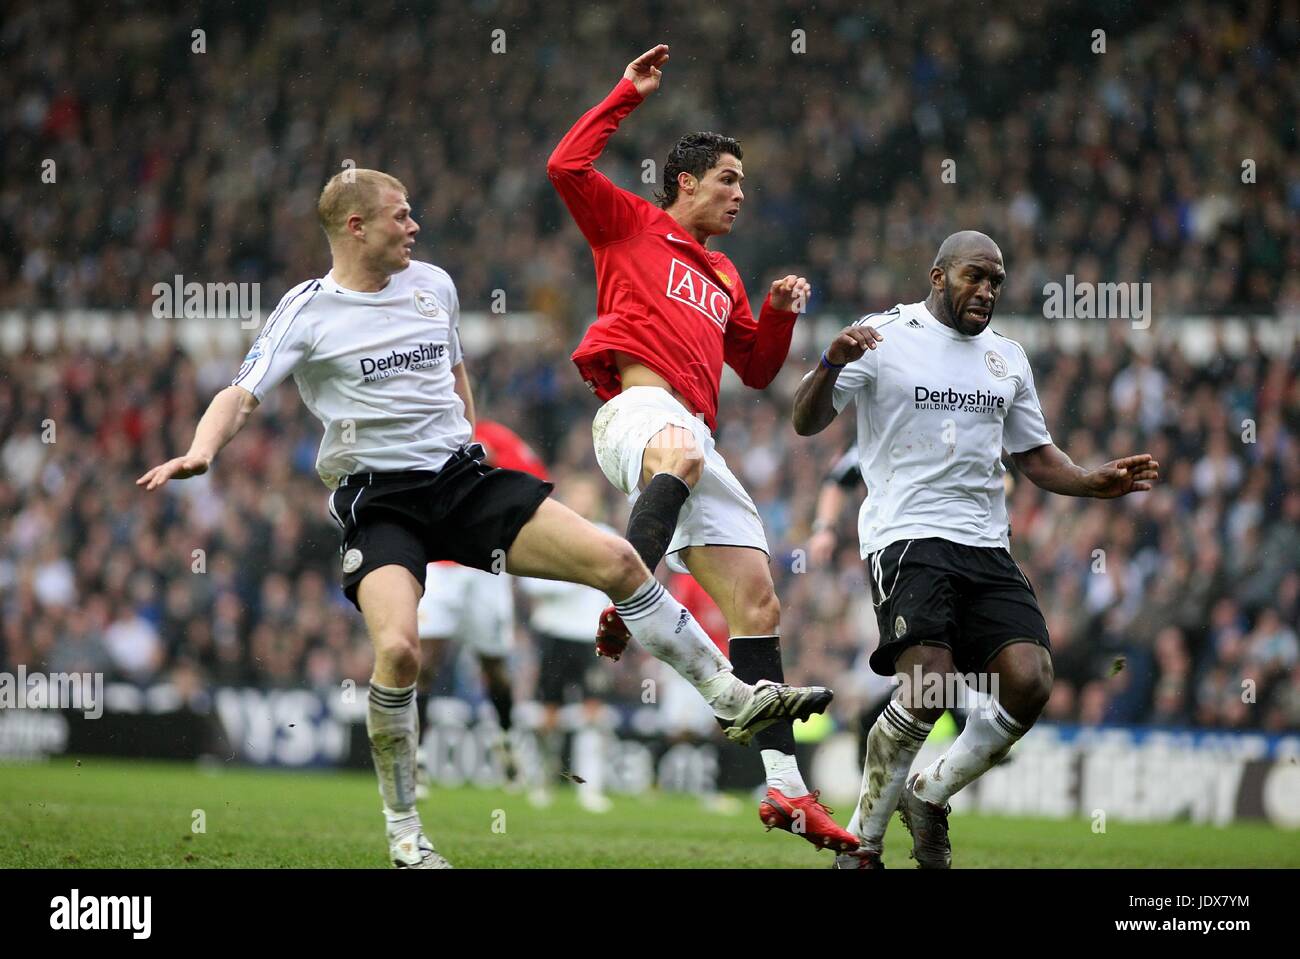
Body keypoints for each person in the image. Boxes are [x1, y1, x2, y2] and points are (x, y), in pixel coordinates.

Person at [139, 168, 834, 869]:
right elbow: (240, 392)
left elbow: (456, 373)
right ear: (356, 227)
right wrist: (200, 450)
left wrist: (468, 434)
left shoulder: (434, 285)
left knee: (620, 563)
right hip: (380, 501)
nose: (414, 226)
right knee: (402, 652)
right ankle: (406, 832)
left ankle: (731, 696)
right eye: (400, 215)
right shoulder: (308, 310)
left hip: (462, 481)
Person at [547, 43, 857, 854]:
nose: (740, 195)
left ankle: (788, 792)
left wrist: (782, 312)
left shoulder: (723, 275)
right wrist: (625, 94)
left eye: (746, 185)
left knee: (758, 603)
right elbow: (565, 166)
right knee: (681, 455)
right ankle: (626, 593)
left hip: (695, 436)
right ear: (685, 181)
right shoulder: (629, 225)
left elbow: (755, 370)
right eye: (729, 180)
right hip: (637, 413)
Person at [792, 230, 1159, 868]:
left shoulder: (1007, 359)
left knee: (1029, 680)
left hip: (986, 545)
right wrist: (828, 364)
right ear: (938, 276)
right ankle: (861, 849)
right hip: (907, 537)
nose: (986, 290)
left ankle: (929, 795)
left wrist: (1091, 482)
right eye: (974, 276)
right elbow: (806, 420)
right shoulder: (882, 338)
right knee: (928, 685)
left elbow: (1036, 457)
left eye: (996, 280)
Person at [415, 419, 549, 795]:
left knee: (494, 665)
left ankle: (506, 743)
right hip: (440, 567)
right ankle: (417, 761)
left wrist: (489, 470)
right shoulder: (427, 431)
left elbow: (535, 481)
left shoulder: (494, 435)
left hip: (486, 565)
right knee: (425, 661)